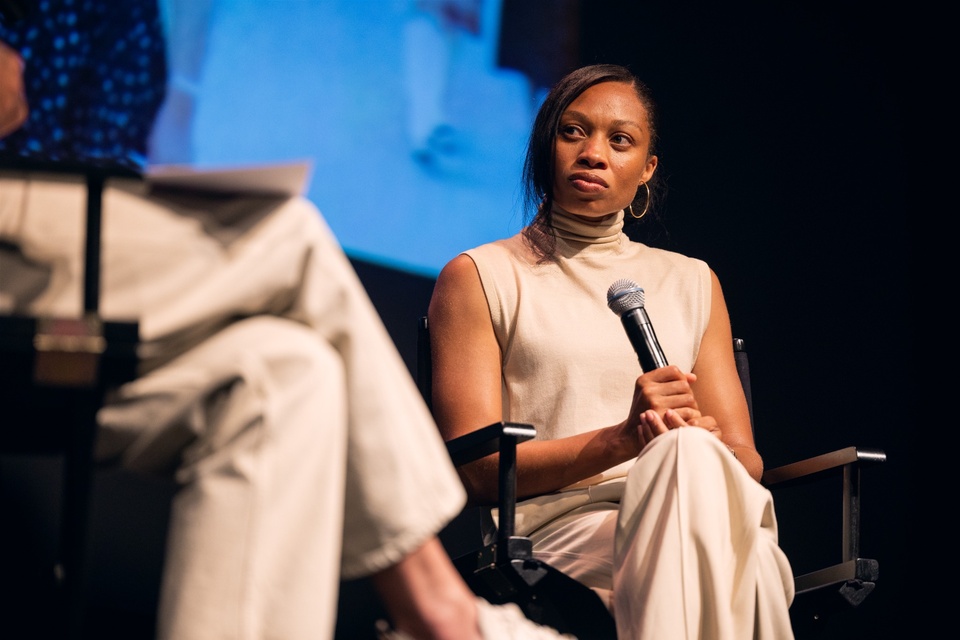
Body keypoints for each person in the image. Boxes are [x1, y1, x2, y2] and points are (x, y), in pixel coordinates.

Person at [0, 2, 570, 638]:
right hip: (22, 238)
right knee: (286, 235)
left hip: (77, 259)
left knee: (290, 372)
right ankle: (436, 607)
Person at [428, 63, 797, 638]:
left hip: (698, 507)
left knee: (695, 462)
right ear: (543, 147)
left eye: (619, 140)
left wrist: (700, 443)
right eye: (572, 132)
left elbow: (746, 461)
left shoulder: (694, 280)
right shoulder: (482, 275)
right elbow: (477, 471)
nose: (594, 152)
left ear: (646, 169)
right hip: (562, 529)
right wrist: (627, 440)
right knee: (747, 565)